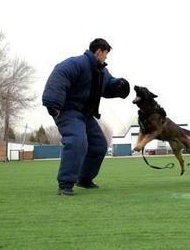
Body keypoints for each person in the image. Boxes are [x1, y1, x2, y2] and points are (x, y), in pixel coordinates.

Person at [42, 38, 130, 196]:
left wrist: (119, 86)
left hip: (85, 114)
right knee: (77, 141)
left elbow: (108, 85)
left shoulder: (102, 72)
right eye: (106, 54)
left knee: (99, 145)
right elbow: (59, 76)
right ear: (99, 51)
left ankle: (84, 178)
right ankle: (65, 184)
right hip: (67, 111)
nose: (106, 58)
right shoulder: (76, 63)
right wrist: (53, 103)